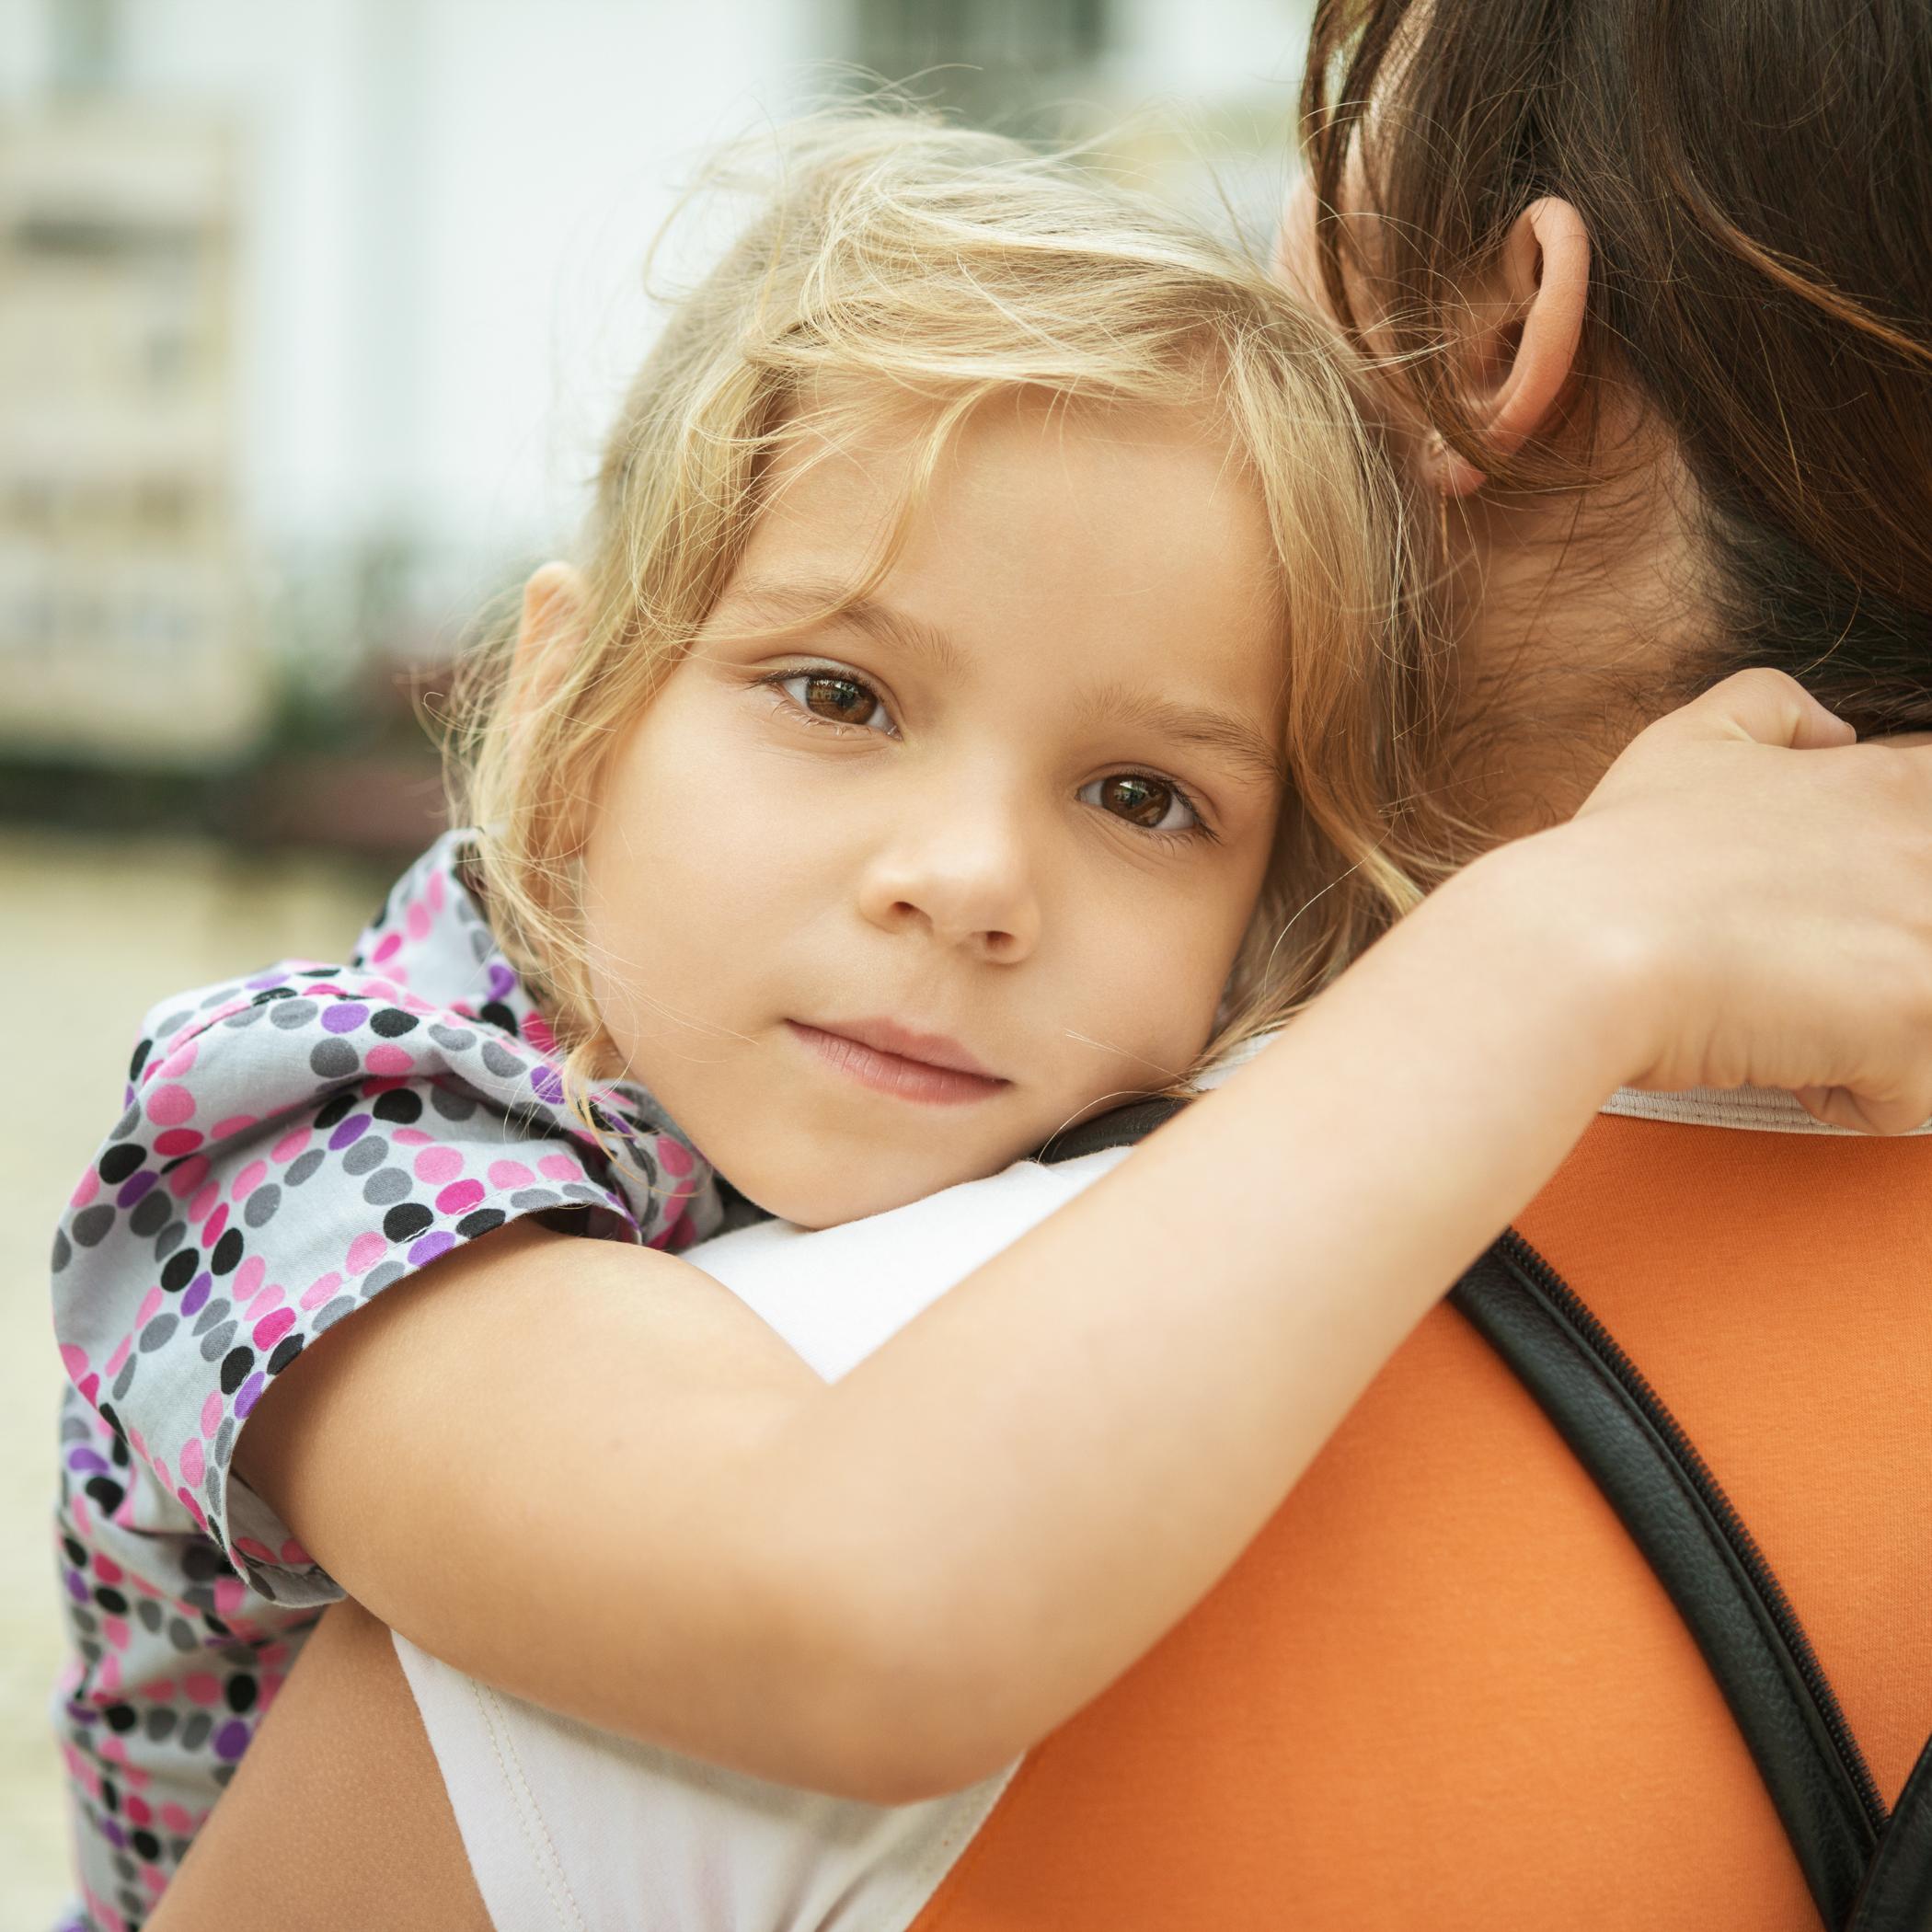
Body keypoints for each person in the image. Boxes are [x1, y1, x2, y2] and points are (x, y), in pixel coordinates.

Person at [52, 96, 1932, 1932]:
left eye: (1143, 800)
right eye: (838, 695)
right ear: (568, 717)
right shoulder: (315, 1135)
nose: (968, 878)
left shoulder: (1097, 1108)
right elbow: (839, 1608)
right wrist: (1560, 946)